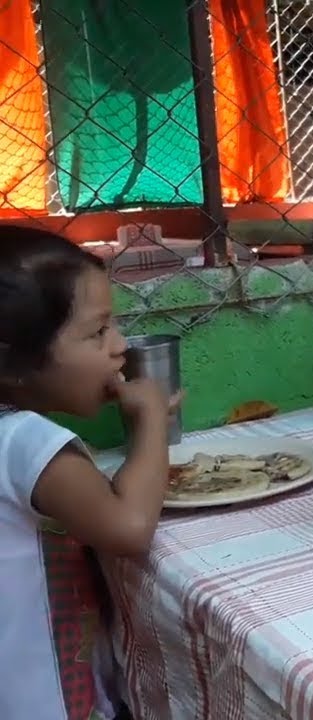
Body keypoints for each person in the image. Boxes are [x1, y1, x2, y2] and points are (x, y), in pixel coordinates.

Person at [0, 227, 181, 719]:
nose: (119, 346)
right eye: (97, 332)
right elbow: (127, 527)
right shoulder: (23, 443)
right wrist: (150, 424)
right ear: (12, 361)